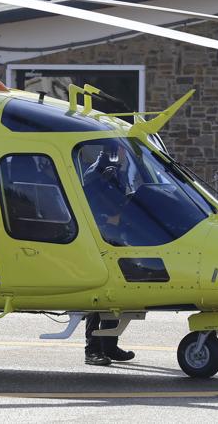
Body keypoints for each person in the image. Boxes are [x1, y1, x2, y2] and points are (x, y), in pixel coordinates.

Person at [81, 141, 136, 366]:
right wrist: (107, 220)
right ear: (116, 151)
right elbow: (87, 203)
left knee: (115, 295)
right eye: (122, 150)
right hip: (100, 238)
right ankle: (92, 350)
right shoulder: (98, 172)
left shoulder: (113, 171)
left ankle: (109, 345)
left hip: (113, 238)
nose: (124, 154)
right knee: (99, 298)